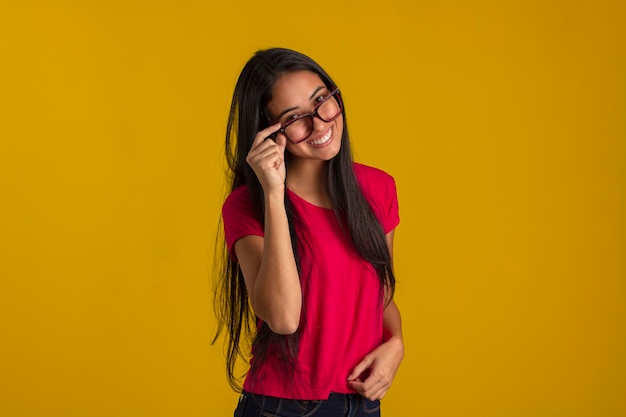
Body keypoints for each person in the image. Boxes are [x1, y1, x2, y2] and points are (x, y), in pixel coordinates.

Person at [214, 47, 404, 417]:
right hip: (284, 407)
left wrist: (397, 342)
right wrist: (272, 192)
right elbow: (283, 318)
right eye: (295, 118)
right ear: (268, 132)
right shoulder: (246, 206)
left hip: (363, 405)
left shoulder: (378, 189)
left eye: (322, 101)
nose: (319, 124)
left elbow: (380, 295)